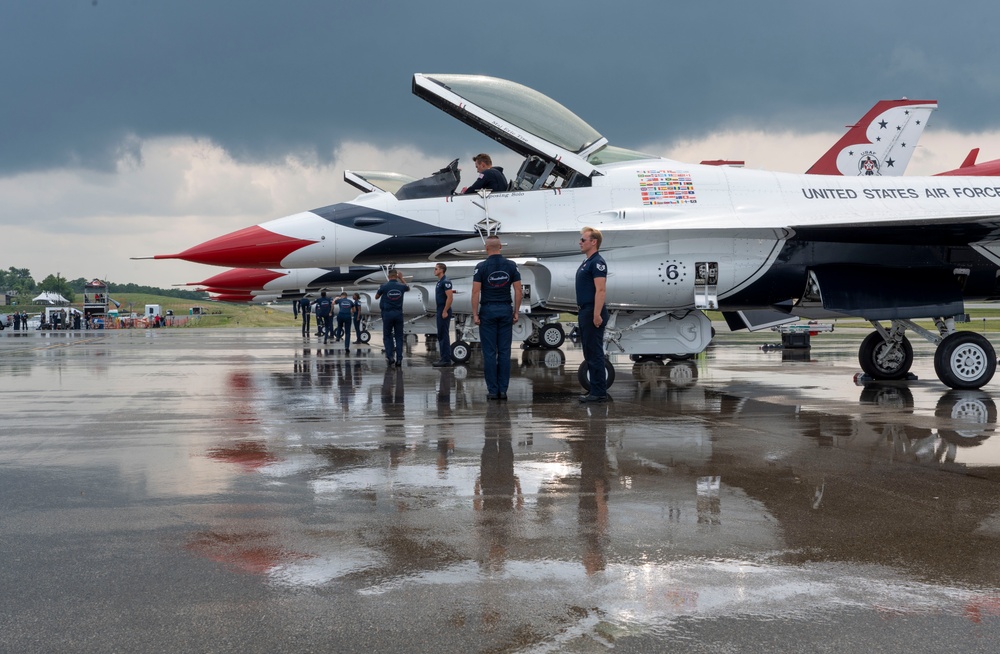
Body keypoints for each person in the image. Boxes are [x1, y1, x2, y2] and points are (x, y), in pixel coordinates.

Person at [471, 235, 521, 400]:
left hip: (488, 310)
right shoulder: (511, 266)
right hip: (505, 309)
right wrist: (516, 311)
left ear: (486, 248)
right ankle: (503, 390)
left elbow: (476, 292)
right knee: (505, 352)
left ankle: (493, 391)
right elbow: (518, 291)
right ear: (500, 247)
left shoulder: (481, 267)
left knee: (490, 352)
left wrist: (475, 313)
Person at [576, 226, 609, 402]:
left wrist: (596, 314)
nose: (580, 242)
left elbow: (601, 290)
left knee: (595, 352)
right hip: (585, 311)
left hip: (592, 312)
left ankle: (599, 392)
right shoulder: (587, 262)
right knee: (589, 352)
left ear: (593, 242)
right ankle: (595, 390)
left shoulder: (597, 262)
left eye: (583, 239)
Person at [375, 270, 409, 366]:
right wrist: (402, 279)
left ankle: (390, 357)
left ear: (389, 276)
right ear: (396, 276)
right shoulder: (402, 287)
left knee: (387, 336)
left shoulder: (384, 286)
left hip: (387, 315)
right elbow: (408, 288)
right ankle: (399, 359)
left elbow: (376, 297)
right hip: (398, 314)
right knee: (399, 337)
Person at [432, 263, 455, 367]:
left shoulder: (446, 282)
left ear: (441, 270)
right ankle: (443, 357)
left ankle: (446, 359)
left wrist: (445, 311)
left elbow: (450, 298)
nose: (434, 270)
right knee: (441, 334)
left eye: (436, 269)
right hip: (440, 309)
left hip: (443, 309)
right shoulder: (440, 282)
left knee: (443, 334)